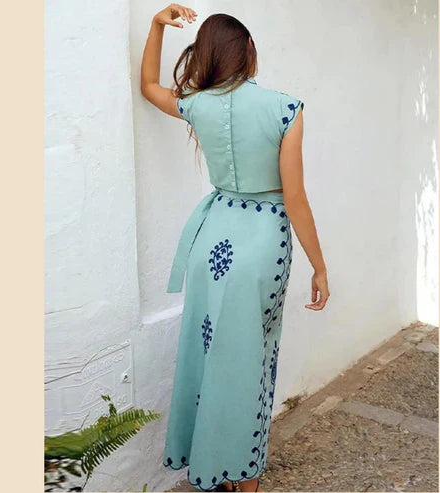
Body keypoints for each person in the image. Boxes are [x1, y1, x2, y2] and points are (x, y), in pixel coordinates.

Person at [140, 4, 330, 492]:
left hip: (212, 238)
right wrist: (319, 266)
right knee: (251, 360)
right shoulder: (285, 109)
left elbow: (149, 87)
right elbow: (296, 199)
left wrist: (156, 26)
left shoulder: (196, 104)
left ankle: (215, 466)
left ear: (207, 54)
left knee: (210, 353)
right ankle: (246, 480)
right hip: (263, 242)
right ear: (248, 50)